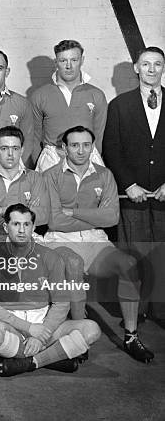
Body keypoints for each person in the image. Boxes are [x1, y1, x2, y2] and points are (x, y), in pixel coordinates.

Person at [44, 126, 154, 362]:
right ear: (64, 149)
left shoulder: (105, 175)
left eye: (86, 145)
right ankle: (77, 336)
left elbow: (111, 217)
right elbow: (54, 220)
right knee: (72, 264)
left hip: (95, 241)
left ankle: (131, 336)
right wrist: (93, 214)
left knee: (129, 264)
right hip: (60, 241)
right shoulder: (50, 175)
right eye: (74, 145)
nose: (81, 150)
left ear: (92, 147)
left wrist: (71, 211)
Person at [0, 204, 102, 377]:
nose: (22, 230)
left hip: (44, 324)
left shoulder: (50, 257)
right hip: (12, 325)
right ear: (6, 227)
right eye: (16, 224)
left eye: (26, 224)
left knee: (91, 330)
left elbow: (61, 303)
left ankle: (28, 362)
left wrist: (41, 335)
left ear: (33, 227)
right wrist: (29, 328)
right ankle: (51, 358)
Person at [103, 46, 165, 321]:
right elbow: (111, 149)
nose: (152, 69)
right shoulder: (119, 105)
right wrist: (128, 185)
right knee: (134, 254)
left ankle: (161, 310)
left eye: (158, 64)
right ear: (136, 68)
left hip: (164, 196)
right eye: (146, 64)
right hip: (132, 197)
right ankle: (135, 311)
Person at [31, 40, 107, 172]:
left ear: (82, 60)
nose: (69, 66)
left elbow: (99, 135)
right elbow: (34, 136)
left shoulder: (96, 94)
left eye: (74, 60)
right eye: (63, 61)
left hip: (87, 158)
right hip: (52, 159)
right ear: (56, 62)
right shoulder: (39, 95)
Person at [0, 126, 48, 243]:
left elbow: (43, 216)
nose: (10, 154)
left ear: (22, 150)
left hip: (28, 241)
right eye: (4, 148)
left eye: (15, 148)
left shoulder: (35, 178)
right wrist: (26, 210)